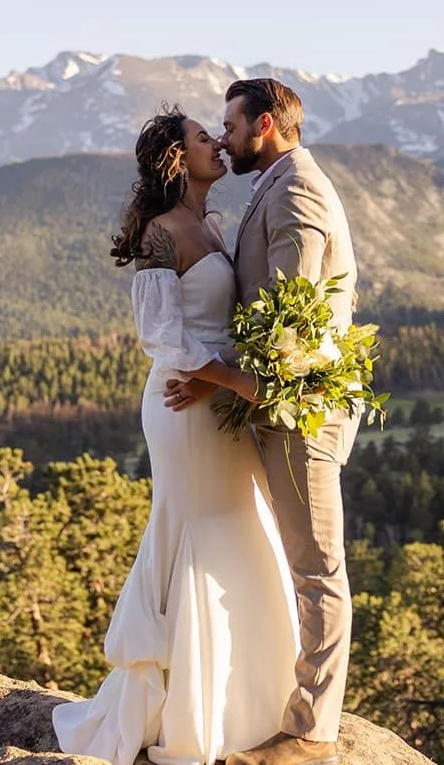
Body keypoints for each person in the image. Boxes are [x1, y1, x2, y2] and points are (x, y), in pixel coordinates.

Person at [53, 108, 299, 765]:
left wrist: (231, 380)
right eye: (202, 137)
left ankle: (248, 702)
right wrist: (230, 381)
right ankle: (188, 712)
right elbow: (159, 333)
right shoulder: (162, 233)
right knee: (198, 527)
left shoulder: (211, 224)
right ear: (174, 158)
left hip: (214, 397)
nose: (218, 142)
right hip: (183, 402)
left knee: (242, 522)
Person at [166, 78, 359, 765]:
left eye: (231, 124)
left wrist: (215, 374)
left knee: (316, 569)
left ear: (266, 123)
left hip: (302, 412)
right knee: (299, 564)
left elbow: (294, 326)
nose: (223, 137)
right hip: (274, 407)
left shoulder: (298, 189)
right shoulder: (274, 184)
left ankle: (312, 734)